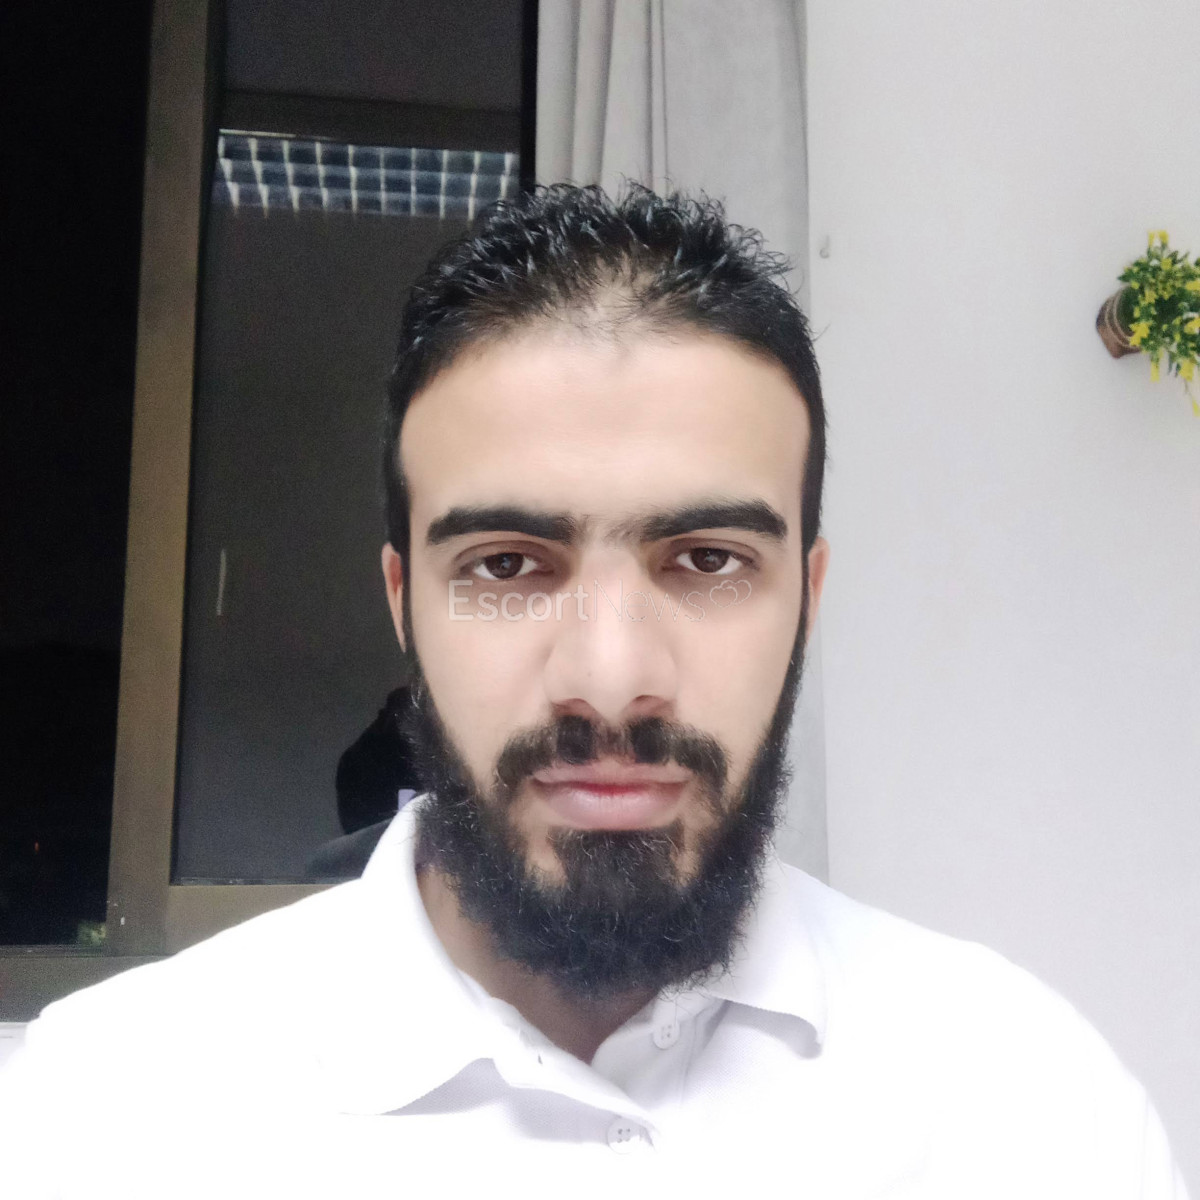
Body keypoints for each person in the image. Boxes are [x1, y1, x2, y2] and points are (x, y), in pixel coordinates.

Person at [0, 185, 1188, 1199]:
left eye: (708, 560)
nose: (611, 681)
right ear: (404, 602)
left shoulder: (1034, 1113)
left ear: (808, 597)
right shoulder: (101, 1122)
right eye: (507, 567)